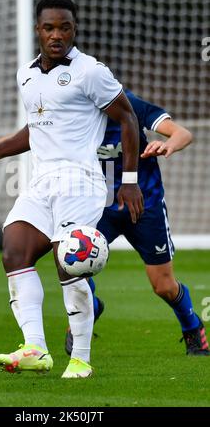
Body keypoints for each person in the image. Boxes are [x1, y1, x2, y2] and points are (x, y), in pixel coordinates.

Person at [0, 0, 144, 378]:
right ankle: (35, 347)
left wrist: (131, 181)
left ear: (75, 29)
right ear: (37, 30)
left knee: (70, 260)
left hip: (81, 181)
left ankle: (81, 359)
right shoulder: (26, 74)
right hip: (40, 182)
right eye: (49, 27)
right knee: (14, 249)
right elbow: (36, 129)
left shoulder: (91, 71)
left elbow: (129, 120)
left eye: (65, 27)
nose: (57, 35)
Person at [65, 89, 210, 357]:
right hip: (99, 207)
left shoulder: (129, 104)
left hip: (144, 206)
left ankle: (192, 326)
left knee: (163, 285)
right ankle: (89, 309)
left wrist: (168, 145)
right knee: (72, 263)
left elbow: (183, 134)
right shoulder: (74, 110)